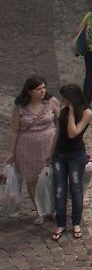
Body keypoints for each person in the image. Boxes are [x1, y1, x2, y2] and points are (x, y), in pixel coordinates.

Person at [5, 77, 60, 224]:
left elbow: (60, 122)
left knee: (51, 178)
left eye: (43, 88)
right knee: (32, 180)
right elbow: (14, 131)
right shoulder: (20, 107)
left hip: (49, 145)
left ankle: (52, 209)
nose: (42, 91)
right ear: (29, 91)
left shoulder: (52, 102)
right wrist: (11, 152)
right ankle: (39, 211)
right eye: (38, 89)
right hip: (27, 148)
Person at [51, 84, 92, 242]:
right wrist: (50, 154)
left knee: (76, 189)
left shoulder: (86, 113)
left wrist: (70, 113)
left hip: (76, 155)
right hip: (59, 154)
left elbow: (73, 133)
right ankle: (61, 224)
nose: (64, 101)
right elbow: (59, 133)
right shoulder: (64, 110)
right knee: (60, 190)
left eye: (66, 98)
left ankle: (76, 223)